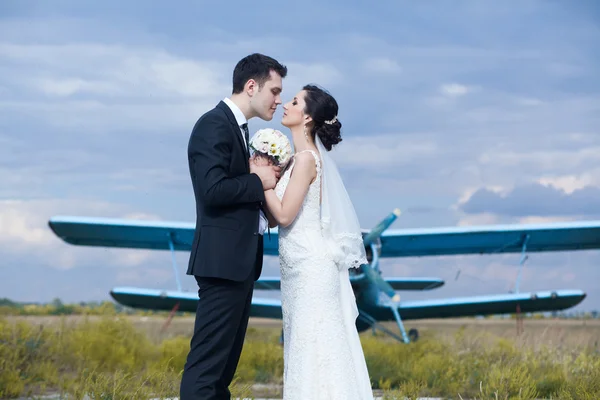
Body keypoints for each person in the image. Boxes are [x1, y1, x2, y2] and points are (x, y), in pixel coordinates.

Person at [180, 53, 287, 400]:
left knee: (222, 374)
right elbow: (211, 191)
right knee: (207, 370)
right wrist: (259, 181)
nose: (278, 99)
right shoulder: (213, 124)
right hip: (222, 264)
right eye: (274, 90)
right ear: (251, 86)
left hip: (238, 265)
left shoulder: (240, 130)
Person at [260, 85, 374, 399]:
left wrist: (260, 180)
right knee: (302, 344)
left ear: (307, 117)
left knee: (315, 346)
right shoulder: (296, 161)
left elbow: (283, 216)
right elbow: (273, 218)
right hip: (297, 269)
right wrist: (270, 181)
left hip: (311, 267)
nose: (285, 104)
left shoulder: (307, 160)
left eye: (294, 101)